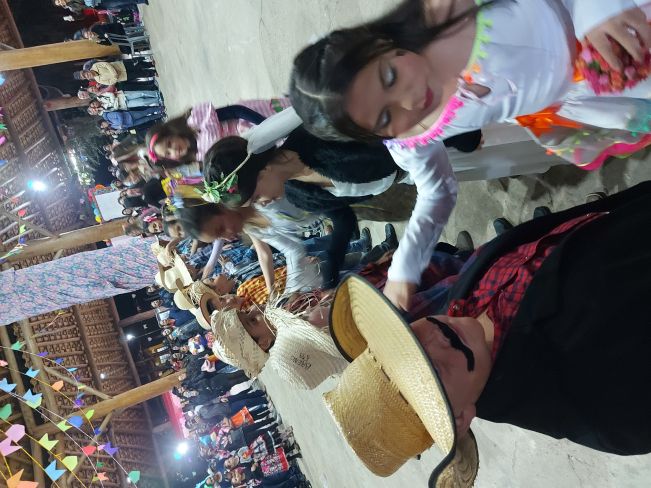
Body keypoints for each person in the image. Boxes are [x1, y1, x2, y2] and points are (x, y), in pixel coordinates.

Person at [324, 181, 651, 487]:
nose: (436, 341)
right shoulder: (603, 413)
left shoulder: (461, 302)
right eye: (432, 373)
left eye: (408, 340)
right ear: (459, 419)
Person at [290, 0, 651, 170]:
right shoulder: (415, 137)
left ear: (379, 43)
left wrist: (596, 9)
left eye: (390, 77)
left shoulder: (447, 10)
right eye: (386, 117)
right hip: (602, 88)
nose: (412, 101)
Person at [145, 98, 291, 167]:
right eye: (168, 153)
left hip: (255, 119)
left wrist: (266, 124)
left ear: (172, 132)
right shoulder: (200, 155)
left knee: (291, 116)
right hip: (257, 142)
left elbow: (236, 110)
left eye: (169, 144)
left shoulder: (197, 122)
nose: (173, 150)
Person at [74, 59, 156, 86]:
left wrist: (114, 74)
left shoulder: (95, 66)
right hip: (122, 76)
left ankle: (150, 64)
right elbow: (109, 82)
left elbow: (107, 64)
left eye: (86, 73)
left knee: (137, 65)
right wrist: (115, 78)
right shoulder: (98, 80)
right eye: (86, 76)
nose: (88, 75)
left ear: (87, 71)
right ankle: (152, 73)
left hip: (121, 66)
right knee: (138, 74)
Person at [91, 90, 162, 112]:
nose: (95, 105)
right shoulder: (104, 109)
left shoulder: (100, 96)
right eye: (94, 106)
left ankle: (156, 94)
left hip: (123, 95)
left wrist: (113, 102)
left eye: (93, 104)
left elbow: (111, 94)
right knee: (142, 102)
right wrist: (114, 100)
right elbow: (115, 108)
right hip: (125, 104)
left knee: (141, 93)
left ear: (94, 101)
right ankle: (157, 100)